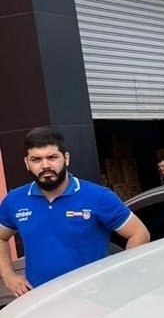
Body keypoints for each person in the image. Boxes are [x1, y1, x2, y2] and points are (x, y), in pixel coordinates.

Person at [0, 127, 150, 297]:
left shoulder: (98, 196)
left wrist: (118, 275)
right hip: (40, 300)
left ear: (66, 158)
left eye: (52, 157)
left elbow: (139, 233)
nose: (45, 165)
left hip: (93, 299)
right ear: (27, 163)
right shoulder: (15, 200)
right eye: (36, 159)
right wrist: (8, 277)